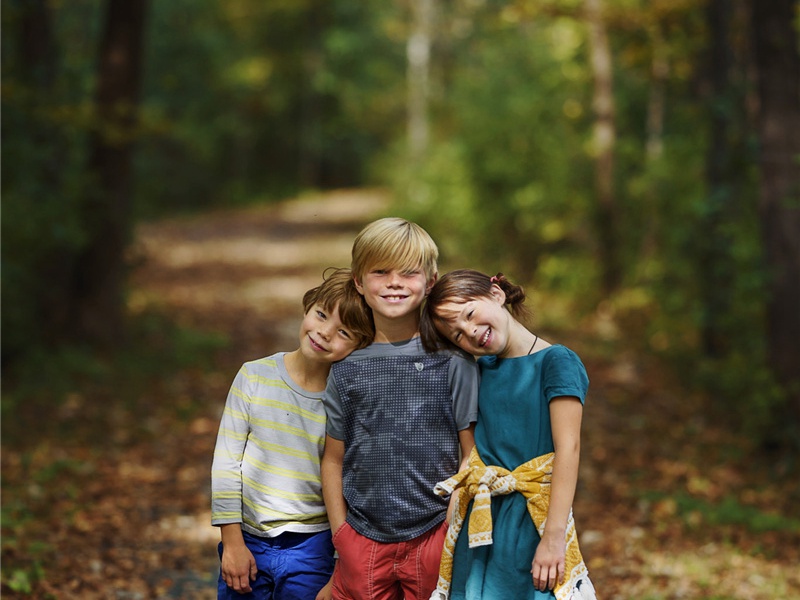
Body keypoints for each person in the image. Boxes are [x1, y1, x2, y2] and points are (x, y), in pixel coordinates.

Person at [321, 217, 480, 600]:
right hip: (363, 538)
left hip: (433, 535)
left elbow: (470, 453)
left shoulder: (452, 362)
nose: (394, 282)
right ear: (359, 281)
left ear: (430, 281)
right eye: (380, 272)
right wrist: (342, 534)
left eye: (409, 273)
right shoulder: (346, 369)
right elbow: (333, 459)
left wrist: (450, 531)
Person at [419, 269, 596, 600]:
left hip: (533, 518)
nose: (470, 331)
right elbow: (473, 447)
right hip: (482, 520)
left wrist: (554, 536)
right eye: (457, 335)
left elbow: (568, 449)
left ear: (496, 294)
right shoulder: (480, 370)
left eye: (469, 314)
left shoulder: (556, 362)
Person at [211, 268, 375, 600]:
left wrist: (343, 557)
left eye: (343, 331)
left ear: (359, 345)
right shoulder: (254, 376)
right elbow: (227, 465)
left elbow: (348, 477)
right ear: (309, 306)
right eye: (321, 315)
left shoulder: (346, 400)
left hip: (313, 545)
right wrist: (231, 542)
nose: (325, 332)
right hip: (249, 539)